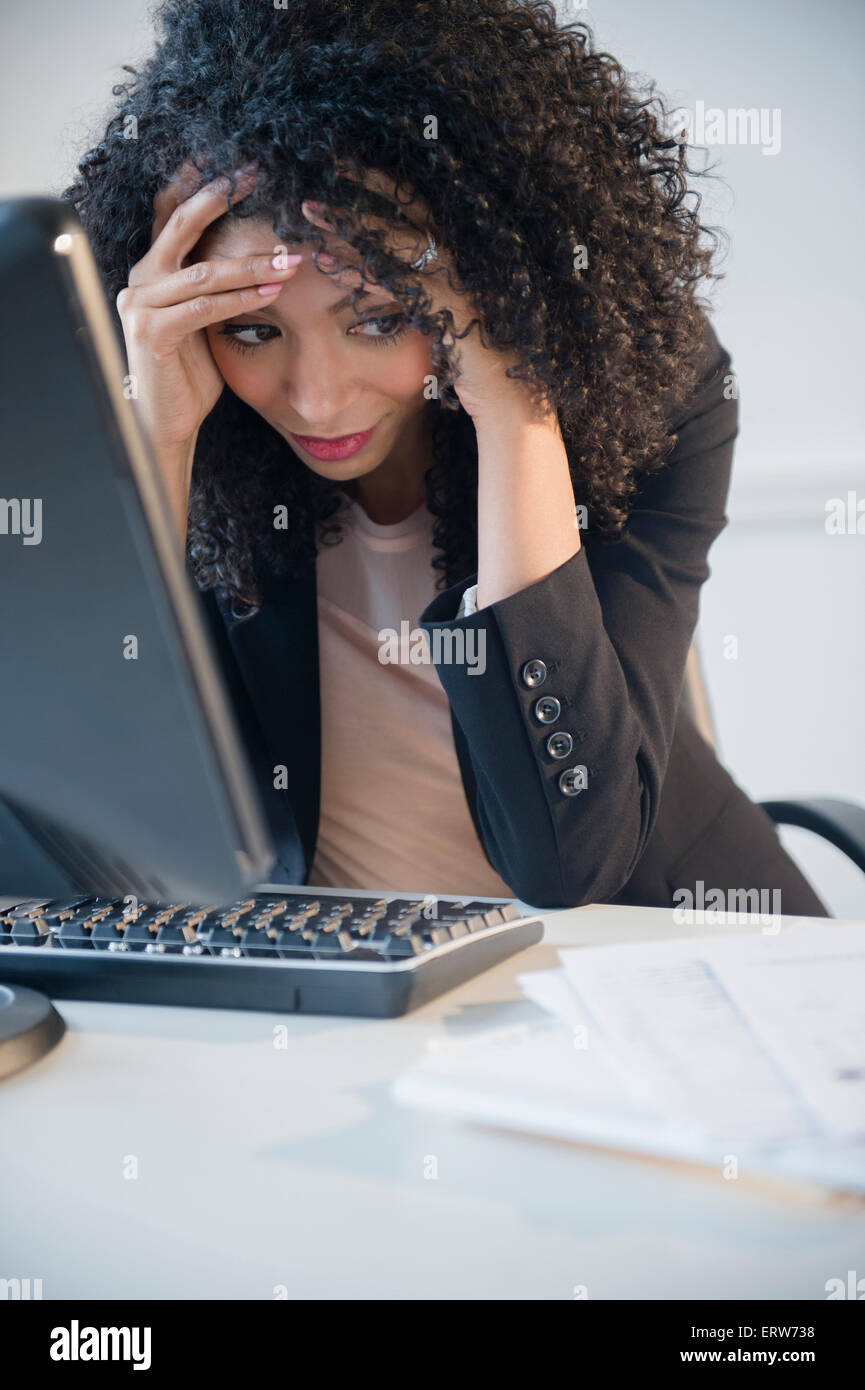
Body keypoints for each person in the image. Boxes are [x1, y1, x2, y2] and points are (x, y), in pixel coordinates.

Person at [63, 0, 828, 914]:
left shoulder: (659, 398)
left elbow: (568, 862)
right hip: (346, 988)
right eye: (253, 329)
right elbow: (93, 828)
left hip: (653, 954)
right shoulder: (190, 435)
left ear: (490, 281)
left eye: (380, 319)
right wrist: (161, 433)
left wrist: (516, 409)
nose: (316, 398)